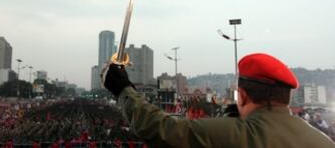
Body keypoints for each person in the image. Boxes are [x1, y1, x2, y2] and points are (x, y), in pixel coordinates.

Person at [103, 53, 335, 148]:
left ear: (242, 95)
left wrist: (123, 89)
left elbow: (161, 129)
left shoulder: (238, 134)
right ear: (287, 97)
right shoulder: (322, 141)